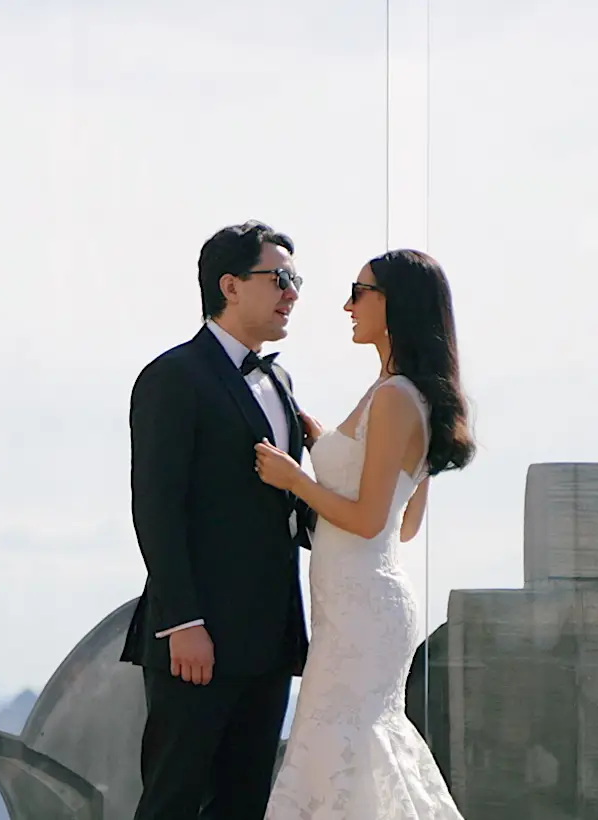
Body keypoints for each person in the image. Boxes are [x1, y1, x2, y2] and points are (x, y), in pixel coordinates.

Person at [256, 249, 476, 819]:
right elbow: (406, 523)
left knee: (341, 749)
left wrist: (295, 479)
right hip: (361, 603)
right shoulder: (404, 394)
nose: (347, 306)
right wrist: (323, 444)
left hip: (360, 610)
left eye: (359, 292)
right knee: (346, 753)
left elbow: (370, 520)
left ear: (395, 303)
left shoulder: (396, 397)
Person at [123, 220, 317, 819]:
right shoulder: (173, 376)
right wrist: (184, 621)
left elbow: (285, 508)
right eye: (279, 278)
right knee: (173, 800)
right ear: (229, 286)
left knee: (245, 803)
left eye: (296, 280)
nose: (292, 293)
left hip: (270, 636)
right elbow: (156, 506)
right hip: (197, 636)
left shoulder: (280, 380)